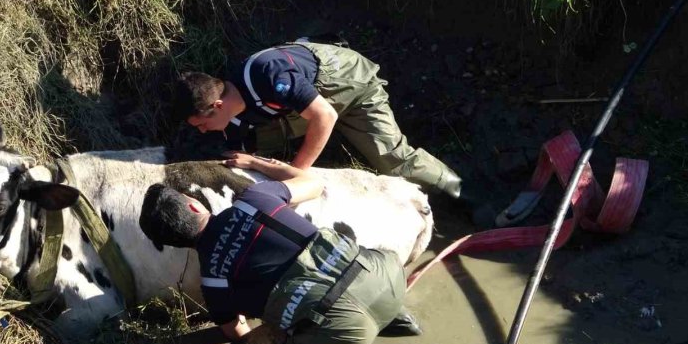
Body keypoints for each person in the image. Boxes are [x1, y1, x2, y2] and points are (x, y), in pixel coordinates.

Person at [138, 152, 415, 344]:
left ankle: (369, 320)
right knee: (351, 269)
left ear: (175, 243)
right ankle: (394, 314)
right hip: (387, 275)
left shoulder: (213, 282)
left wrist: (277, 333)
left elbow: (237, 333)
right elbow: (313, 184)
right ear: (193, 203)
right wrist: (258, 163)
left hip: (346, 333)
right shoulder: (253, 199)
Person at [174, 39, 491, 224]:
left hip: (352, 88)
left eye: (201, 125)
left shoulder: (267, 75)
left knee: (394, 161)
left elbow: (324, 116)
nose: (203, 131)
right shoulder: (233, 107)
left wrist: (297, 175)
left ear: (216, 106)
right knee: (252, 148)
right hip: (308, 102)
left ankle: (468, 193)